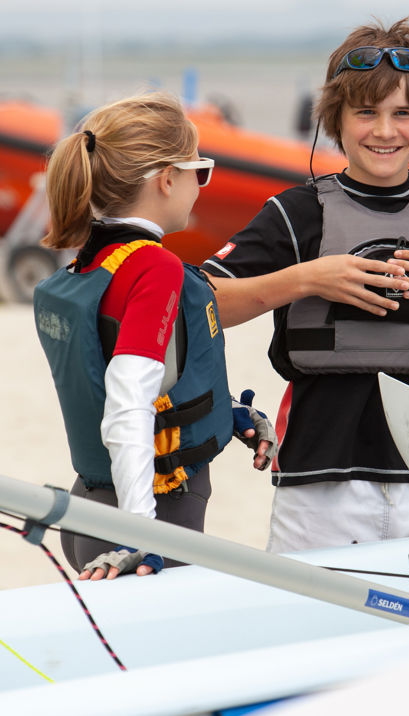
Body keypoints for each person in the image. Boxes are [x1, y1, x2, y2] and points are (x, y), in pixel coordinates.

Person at [201, 18, 409, 553]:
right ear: (334, 119)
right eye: (366, 112)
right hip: (319, 485)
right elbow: (198, 304)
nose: (385, 132)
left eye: (402, 114)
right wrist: (306, 278)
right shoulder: (295, 214)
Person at [34, 92, 276, 581]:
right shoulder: (154, 268)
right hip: (148, 517)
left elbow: (149, 379)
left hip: (90, 501)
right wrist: (140, 535)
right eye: (200, 171)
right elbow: (127, 401)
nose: (200, 187)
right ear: (167, 179)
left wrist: (224, 414)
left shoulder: (95, 262)